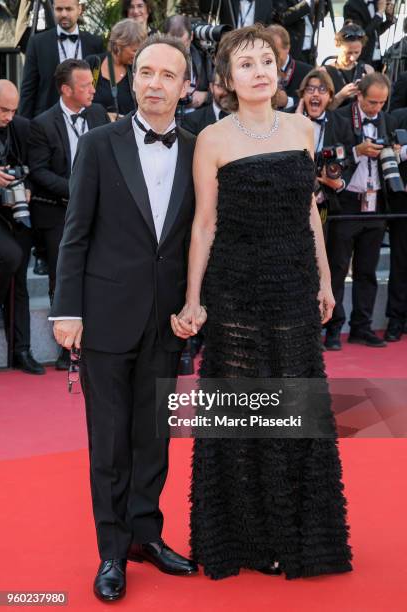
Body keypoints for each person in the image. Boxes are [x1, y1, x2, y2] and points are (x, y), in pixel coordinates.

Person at [171, 24, 352, 580]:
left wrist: (326, 283)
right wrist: (193, 300)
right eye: (246, 63)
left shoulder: (302, 129)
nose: (260, 70)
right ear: (226, 79)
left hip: (295, 285)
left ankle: (295, 535)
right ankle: (247, 537)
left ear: (280, 71)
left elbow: (308, 216)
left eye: (268, 61)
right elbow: (203, 226)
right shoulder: (212, 139)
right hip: (237, 289)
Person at [50, 35, 198, 601]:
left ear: (185, 86)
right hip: (106, 317)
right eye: (146, 72)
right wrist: (66, 310)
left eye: (169, 75)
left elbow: (195, 239)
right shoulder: (99, 143)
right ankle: (111, 552)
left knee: (153, 439)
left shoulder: (195, 148)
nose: (156, 83)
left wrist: (196, 302)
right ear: (132, 79)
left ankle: (145, 536)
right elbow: (75, 234)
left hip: (167, 321)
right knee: (108, 442)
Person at [28, 59, 110, 370]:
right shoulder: (42, 124)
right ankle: (68, 349)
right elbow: (39, 172)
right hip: (58, 213)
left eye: (92, 83)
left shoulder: (99, 113)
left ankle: (97, 340)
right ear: (66, 90)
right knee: (60, 277)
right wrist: (78, 191)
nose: (93, 89)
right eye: (86, 85)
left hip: (101, 213)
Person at [326, 72, 397, 350]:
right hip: (347, 201)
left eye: (381, 103)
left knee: (367, 270)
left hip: (376, 202)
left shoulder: (386, 121)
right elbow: (329, 153)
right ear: (358, 96)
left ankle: (362, 327)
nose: (376, 108)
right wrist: (356, 151)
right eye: (371, 102)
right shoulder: (341, 118)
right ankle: (332, 329)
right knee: (337, 269)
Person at [0, 80, 44, 375]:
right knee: (11, 257)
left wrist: (25, 186)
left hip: (17, 213)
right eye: (3, 110)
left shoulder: (22, 127)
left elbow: (36, 168)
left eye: (13, 110)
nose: (9, 116)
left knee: (20, 279)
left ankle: (22, 350)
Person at [19, 0, 104, 119]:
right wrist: (23, 128)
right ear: (53, 9)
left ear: (79, 9)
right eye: (59, 9)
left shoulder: (95, 43)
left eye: (69, 9)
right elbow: (28, 90)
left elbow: (100, 86)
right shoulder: (37, 43)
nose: (64, 14)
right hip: (47, 121)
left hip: (86, 118)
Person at [296, 69, 355, 231]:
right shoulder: (288, 119)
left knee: (322, 250)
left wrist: (339, 183)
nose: (315, 94)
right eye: (310, 89)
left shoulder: (341, 124)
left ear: (330, 96)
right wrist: (296, 124)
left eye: (322, 90)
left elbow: (351, 159)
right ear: (302, 95)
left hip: (325, 203)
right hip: (292, 204)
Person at [86, 19, 146, 120]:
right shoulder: (93, 63)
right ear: (119, 45)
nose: (138, 55)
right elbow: (78, 101)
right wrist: (104, 116)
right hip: (94, 130)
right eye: (135, 50)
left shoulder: (136, 70)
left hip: (125, 133)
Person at [384, 107, 407, 341]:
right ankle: (396, 319)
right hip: (403, 202)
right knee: (400, 263)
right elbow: (386, 151)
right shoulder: (398, 117)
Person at [163, 15, 211, 111]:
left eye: (183, 46)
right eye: (173, 46)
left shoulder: (205, 56)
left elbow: (225, 92)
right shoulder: (153, 58)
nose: (178, 51)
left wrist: (206, 96)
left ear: (191, 37)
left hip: (198, 118)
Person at [323, 22, 373, 109]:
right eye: (348, 53)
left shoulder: (368, 70)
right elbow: (321, 111)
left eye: (357, 52)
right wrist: (341, 95)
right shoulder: (324, 72)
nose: (353, 58)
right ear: (337, 45)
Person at [268, 23, 312, 111]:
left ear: (287, 48)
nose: (270, 57)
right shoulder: (256, 71)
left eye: (275, 52)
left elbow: (315, 105)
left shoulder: (307, 72)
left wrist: (287, 102)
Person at [343, 0, 395, 71]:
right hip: (363, 57)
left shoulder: (376, 3)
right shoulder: (351, 5)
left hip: (376, 56)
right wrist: (379, 13)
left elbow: (375, 32)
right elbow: (361, 34)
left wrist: (389, 19)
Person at [275, 0, 326, 64]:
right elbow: (283, 18)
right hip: (294, 51)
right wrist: (307, 3)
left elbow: (319, 16)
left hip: (310, 51)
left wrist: (321, 4)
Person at [182, 70, 229, 135]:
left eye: (229, 86)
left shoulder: (244, 118)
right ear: (211, 87)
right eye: (220, 86)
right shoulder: (192, 120)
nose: (226, 92)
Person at [199, 0, 277, 29]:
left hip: (253, 48)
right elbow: (206, 8)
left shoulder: (266, 2)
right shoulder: (228, 1)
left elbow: (268, 27)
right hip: (229, 46)